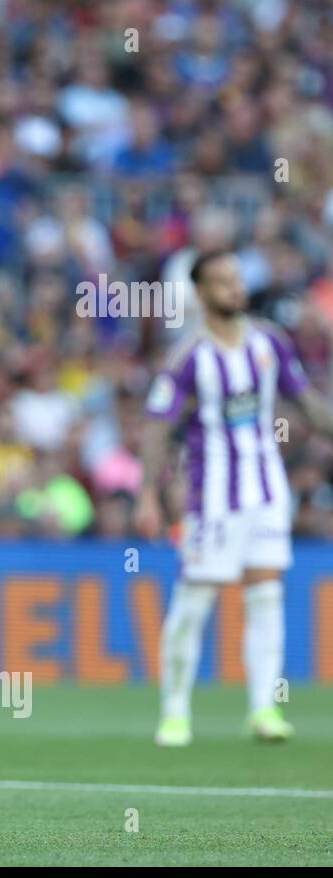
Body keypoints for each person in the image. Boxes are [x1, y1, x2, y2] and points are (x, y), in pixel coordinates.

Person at [136, 250, 333, 745]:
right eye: (223, 282)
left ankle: (264, 709)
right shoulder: (187, 357)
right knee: (196, 600)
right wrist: (147, 493)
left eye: (238, 279)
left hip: (267, 491)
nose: (236, 289)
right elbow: (157, 427)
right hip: (213, 498)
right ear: (201, 292)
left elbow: (305, 402)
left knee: (266, 595)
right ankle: (175, 711)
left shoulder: (269, 341)